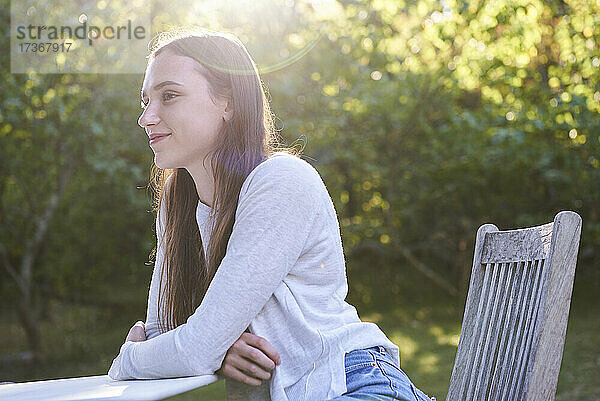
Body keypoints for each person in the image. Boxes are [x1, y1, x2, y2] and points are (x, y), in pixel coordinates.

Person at [107, 27, 435, 401]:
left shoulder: (280, 182)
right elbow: (163, 334)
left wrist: (129, 360)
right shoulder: (177, 202)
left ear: (227, 101)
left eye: (169, 96)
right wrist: (215, 349)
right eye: (145, 100)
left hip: (352, 382)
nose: (146, 117)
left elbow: (181, 348)